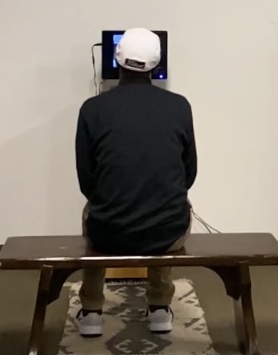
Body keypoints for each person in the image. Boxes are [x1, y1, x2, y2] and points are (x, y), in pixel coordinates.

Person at [74, 28, 197, 338]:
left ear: (117, 61)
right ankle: (158, 307)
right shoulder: (180, 106)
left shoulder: (92, 109)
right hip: (168, 233)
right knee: (167, 203)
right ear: (157, 64)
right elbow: (189, 174)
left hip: (108, 232)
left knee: (94, 209)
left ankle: (90, 311)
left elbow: (86, 180)